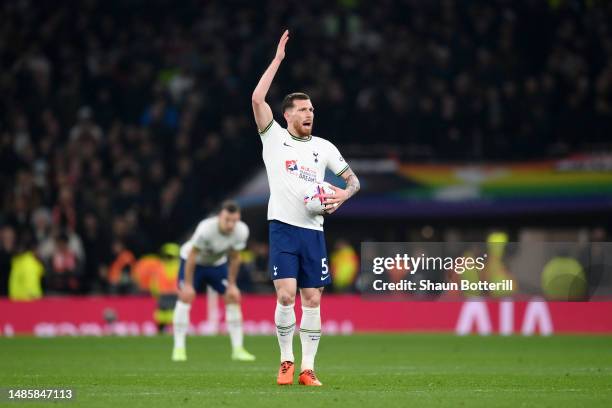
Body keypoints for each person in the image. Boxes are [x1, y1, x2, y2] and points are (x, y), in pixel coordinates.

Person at [251, 30, 360, 386]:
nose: (309, 112)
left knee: (312, 298)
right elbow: (256, 98)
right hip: (282, 227)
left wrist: (341, 197)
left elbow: (354, 182)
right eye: (302, 108)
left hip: (313, 231)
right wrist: (278, 59)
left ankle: (307, 369)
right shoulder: (274, 137)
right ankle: (285, 360)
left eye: (311, 108)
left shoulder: (325, 148)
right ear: (286, 115)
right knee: (285, 294)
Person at [171, 200, 255, 362]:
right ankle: (179, 348)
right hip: (193, 263)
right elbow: (192, 255)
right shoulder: (206, 229)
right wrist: (188, 285)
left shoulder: (241, 231)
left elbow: (236, 258)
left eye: (234, 221)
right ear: (219, 217)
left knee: (233, 297)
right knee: (186, 296)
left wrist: (232, 285)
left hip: (216, 264)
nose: (230, 225)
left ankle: (238, 349)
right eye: (227, 220)